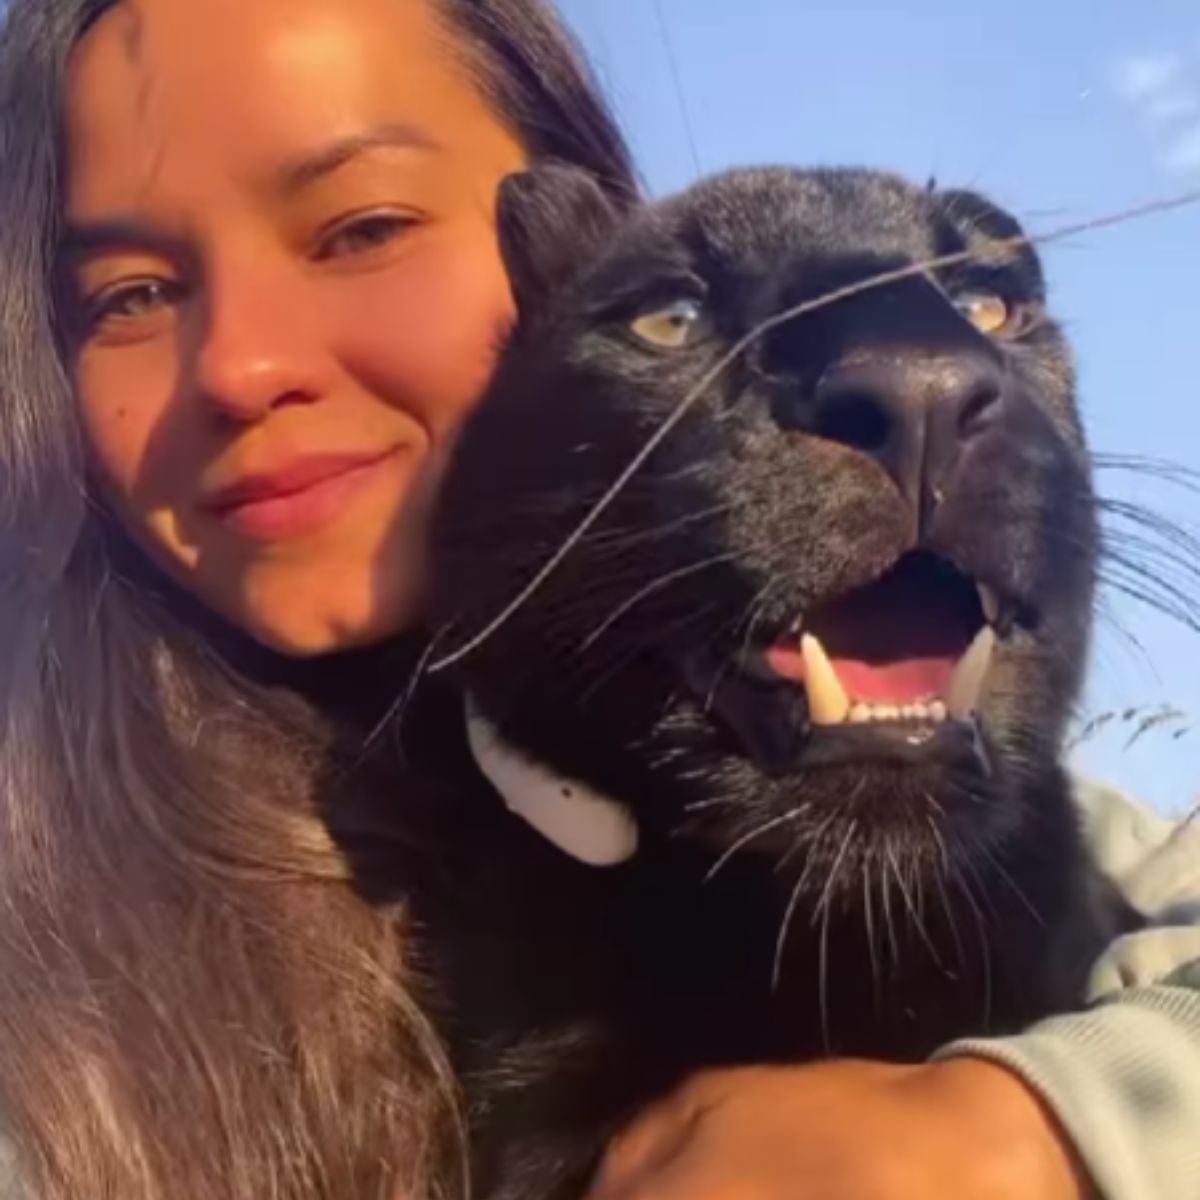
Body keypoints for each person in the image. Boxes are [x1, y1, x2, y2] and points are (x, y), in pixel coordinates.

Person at [0, 1, 1195, 1198]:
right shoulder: (42, 941)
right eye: (131, 296)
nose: (241, 366)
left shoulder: (1013, 810)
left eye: (362, 227)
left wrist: (1043, 1125)